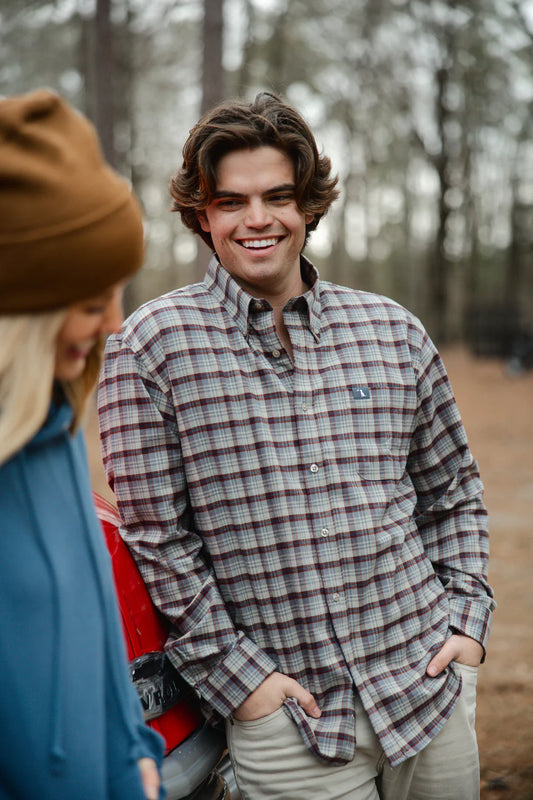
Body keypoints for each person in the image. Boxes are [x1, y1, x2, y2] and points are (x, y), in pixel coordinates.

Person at [98, 92, 495, 800]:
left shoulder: (392, 331)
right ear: (202, 213)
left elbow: (453, 493)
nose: (257, 220)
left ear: (308, 205)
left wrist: (464, 626)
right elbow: (159, 539)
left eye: (277, 197)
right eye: (231, 202)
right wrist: (242, 683)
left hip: (425, 691)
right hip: (287, 723)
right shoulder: (149, 348)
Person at [0, 89, 164, 800]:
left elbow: (96, 637)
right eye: (94, 302)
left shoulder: (56, 431)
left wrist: (136, 757)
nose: (114, 325)